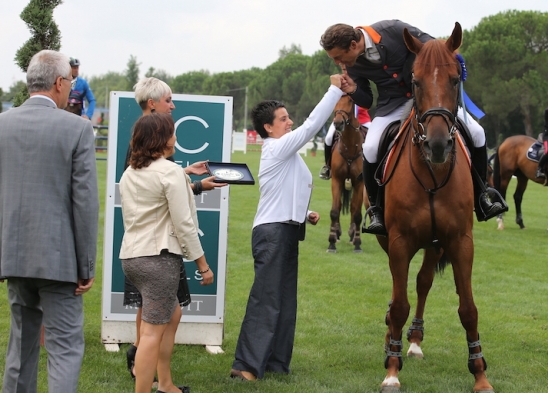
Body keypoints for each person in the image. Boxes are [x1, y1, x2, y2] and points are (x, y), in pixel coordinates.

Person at [320, 20, 507, 235]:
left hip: (428, 97)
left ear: (353, 45)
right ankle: (376, 210)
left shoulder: (393, 30)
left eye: (337, 57)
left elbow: (433, 49)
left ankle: (482, 196)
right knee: (370, 147)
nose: (337, 63)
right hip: (392, 104)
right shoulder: (352, 65)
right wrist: (353, 89)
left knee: (477, 132)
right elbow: (366, 101)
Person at [230, 75, 344, 381]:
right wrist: (335, 89)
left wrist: (305, 213)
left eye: (288, 117)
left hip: (286, 230)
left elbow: (279, 191)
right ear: (269, 127)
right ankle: (245, 367)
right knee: (266, 299)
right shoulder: (276, 147)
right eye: (283, 119)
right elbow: (311, 126)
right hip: (273, 234)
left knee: (284, 302)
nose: (290, 122)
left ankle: (275, 363)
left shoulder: (282, 152)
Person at [0, 50, 99, 392]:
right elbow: (84, 202)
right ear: (59, 83)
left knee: (21, 347)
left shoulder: (3, 125)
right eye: (70, 82)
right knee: (65, 348)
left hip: (13, 256)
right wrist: (86, 265)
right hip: (60, 261)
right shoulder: (77, 128)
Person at [123, 77, 227, 382]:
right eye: (173, 133)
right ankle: (149, 381)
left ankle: (165, 384)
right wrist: (204, 266)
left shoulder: (132, 170)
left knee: (167, 317)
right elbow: (183, 223)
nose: (176, 137)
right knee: (152, 332)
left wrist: (184, 176)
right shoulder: (167, 171)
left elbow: (151, 184)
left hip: (132, 255)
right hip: (159, 257)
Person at [319, 105, 371, 179]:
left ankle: (372, 170)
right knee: (328, 138)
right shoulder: (343, 93)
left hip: (362, 119)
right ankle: (328, 167)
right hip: (343, 118)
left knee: (373, 141)